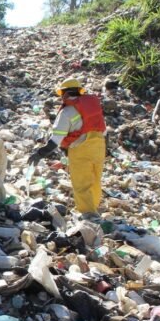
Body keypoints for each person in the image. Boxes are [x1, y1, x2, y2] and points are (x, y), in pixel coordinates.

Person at [28, 78, 107, 220]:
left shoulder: (67, 112)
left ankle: (89, 214)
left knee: (81, 183)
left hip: (81, 150)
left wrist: (39, 154)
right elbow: (104, 130)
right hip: (99, 146)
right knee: (95, 179)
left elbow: (55, 141)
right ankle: (93, 207)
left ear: (64, 94)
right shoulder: (93, 106)